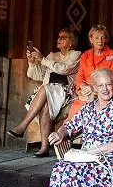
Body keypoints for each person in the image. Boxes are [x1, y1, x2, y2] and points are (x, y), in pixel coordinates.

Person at [7, 29, 81, 157]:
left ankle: (22, 125)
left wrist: (43, 60)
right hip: (50, 93)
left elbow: (64, 69)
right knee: (45, 104)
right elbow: (37, 75)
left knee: (45, 88)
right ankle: (44, 147)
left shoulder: (76, 55)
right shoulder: (52, 56)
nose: (59, 39)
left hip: (66, 94)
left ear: (71, 42)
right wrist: (32, 61)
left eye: (63, 37)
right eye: (58, 36)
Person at [66, 25, 113, 120]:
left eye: (103, 37)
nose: (100, 40)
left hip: (106, 92)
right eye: (97, 37)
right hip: (86, 93)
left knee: (91, 107)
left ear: (106, 39)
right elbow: (79, 77)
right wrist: (82, 88)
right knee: (72, 116)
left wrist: (93, 88)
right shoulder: (85, 55)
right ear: (91, 39)